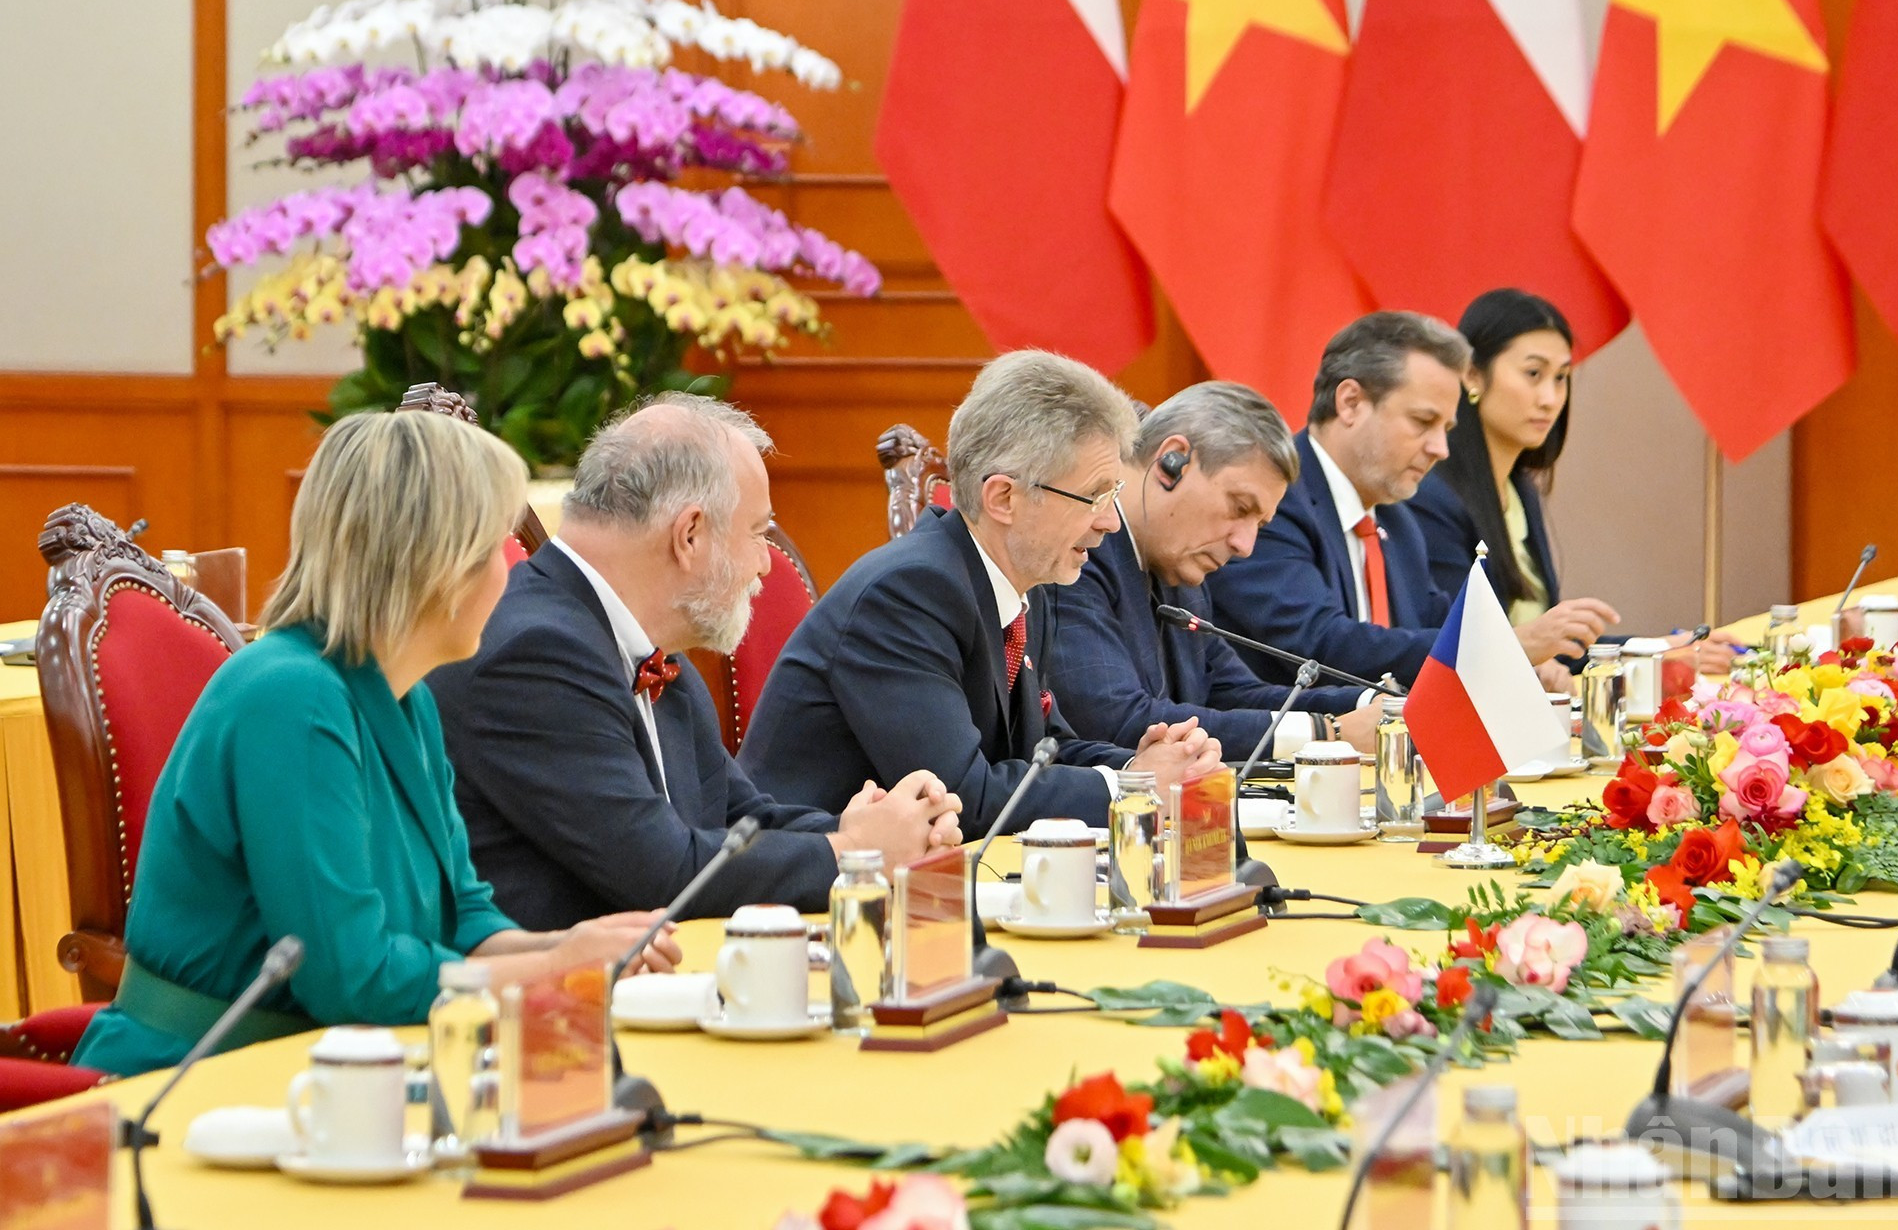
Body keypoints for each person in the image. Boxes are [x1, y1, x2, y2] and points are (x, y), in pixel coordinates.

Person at [74, 412, 680, 1078]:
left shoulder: (404, 695)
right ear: (435, 564)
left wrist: (578, 946)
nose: (508, 577)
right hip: (199, 1076)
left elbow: (463, 919)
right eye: (491, 550)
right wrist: (549, 968)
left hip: (339, 1063)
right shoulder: (293, 697)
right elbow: (348, 977)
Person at [428, 395, 962, 930]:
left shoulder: (642, 639)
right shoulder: (536, 654)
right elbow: (661, 873)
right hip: (563, 978)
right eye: (758, 534)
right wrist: (854, 853)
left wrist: (879, 828)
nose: (764, 564)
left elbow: (741, 818)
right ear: (689, 535)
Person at [740, 350, 1223, 838]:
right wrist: (1132, 786)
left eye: (1114, 494)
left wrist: (1149, 766)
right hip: (810, 871)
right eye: (1095, 496)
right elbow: (962, 797)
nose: (1110, 522)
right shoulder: (907, 593)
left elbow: (1044, 751)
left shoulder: (1025, 585)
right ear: (1004, 498)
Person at [1209, 311, 1618, 690]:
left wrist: (1517, 664)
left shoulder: (1398, 523)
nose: (1441, 448)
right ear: (1350, 402)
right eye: (1423, 422)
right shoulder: (1274, 502)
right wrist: (1505, 647)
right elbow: (1321, 643)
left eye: (1446, 428)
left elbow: (1440, 632)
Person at [1405, 288, 1734, 687]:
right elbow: (1455, 652)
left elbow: (1550, 646)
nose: (1550, 398)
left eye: (1561, 378)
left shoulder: (1519, 489)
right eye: (1533, 374)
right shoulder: (1434, 498)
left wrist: (1659, 648)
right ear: (1472, 375)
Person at [1049, 382, 1384, 759]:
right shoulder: (1079, 551)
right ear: (1172, 463)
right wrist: (1326, 732)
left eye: (1259, 524)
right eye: (1240, 508)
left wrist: (1371, 704)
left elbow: (1232, 693)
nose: (1245, 545)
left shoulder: (1179, 562)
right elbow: (1117, 720)